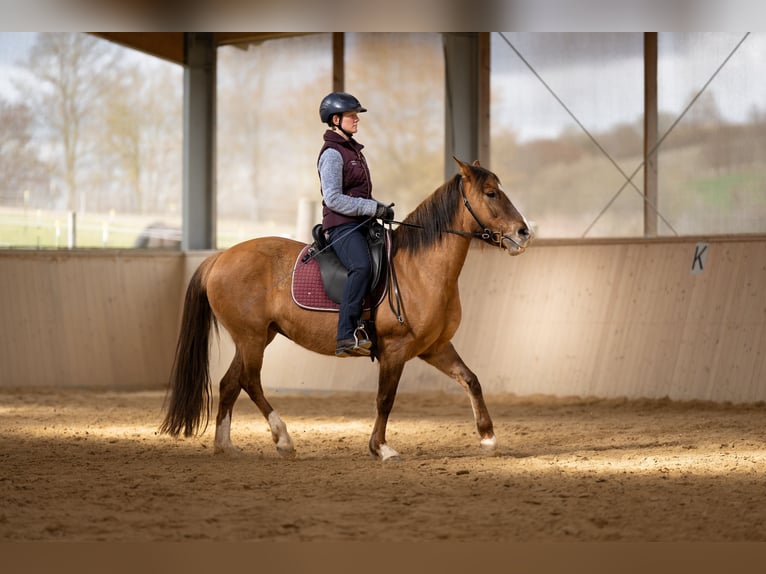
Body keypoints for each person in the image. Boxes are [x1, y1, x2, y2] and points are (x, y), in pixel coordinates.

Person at [317, 92, 394, 357]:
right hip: (341, 226)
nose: (356, 120)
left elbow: (359, 195)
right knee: (361, 266)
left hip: (360, 223)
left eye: (356, 115)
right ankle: (345, 334)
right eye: (352, 116)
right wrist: (373, 207)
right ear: (335, 119)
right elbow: (334, 198)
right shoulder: (333, 154)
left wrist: (380, 208)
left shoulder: (353, 151)